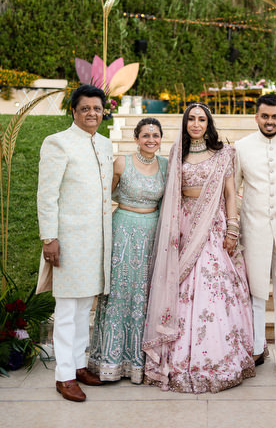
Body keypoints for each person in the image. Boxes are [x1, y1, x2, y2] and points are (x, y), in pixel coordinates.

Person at [142, 102, 255, 393]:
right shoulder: (176, 152)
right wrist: (173, 232)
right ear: (185, 122)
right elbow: (172, 196)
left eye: (201, 119)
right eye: (191, 118)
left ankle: (219, 357)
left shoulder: (223, 154)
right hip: (183, 226)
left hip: (214, 226)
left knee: (214, 288)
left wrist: (232, 227)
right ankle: (178, 358)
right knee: (181, 290)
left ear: (208, 123)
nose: (195, 123)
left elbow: (230, 192)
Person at [36, 85, 113, 402]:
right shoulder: (58, 143)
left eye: (97, 108)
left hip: (97, 241)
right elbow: (47, 195)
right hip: (67, 241)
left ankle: (79, 364)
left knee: (85, 308)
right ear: (73, 111)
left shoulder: (105, 145)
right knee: (67, 309)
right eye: (85, 108)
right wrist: (49, 237)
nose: (92, 113)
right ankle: (64, 375)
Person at [88, 118, 168, 384]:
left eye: (155, 135)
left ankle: (140, 363)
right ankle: (110, 360)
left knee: (145, 295)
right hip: (123, 229)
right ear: (136, 138)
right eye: (145, 135)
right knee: (121, 291)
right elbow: (102, 197)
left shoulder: (166, 166)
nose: (151, 140)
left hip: (152, 233)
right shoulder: (121, 162)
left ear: (160, 138)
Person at [234, 94, 276, 376]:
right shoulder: (241, 147)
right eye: (265, 116)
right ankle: (257, 348)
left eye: (275, 117)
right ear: (256, 117)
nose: (270, 121)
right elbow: (232, 190)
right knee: (257, 293)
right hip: (254, 230)